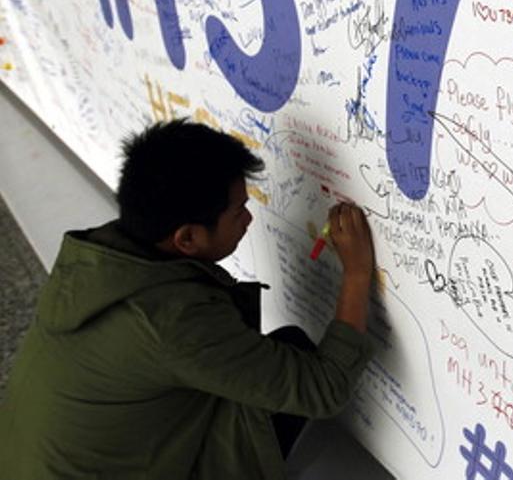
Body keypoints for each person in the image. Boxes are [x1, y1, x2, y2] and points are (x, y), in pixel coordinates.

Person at [0, 119, 376, 478]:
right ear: (187, 239)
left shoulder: (96, 260)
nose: (248, 220)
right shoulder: (169, 320)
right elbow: (324, 388)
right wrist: (357, 273)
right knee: (294, 355)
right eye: (238, 212)